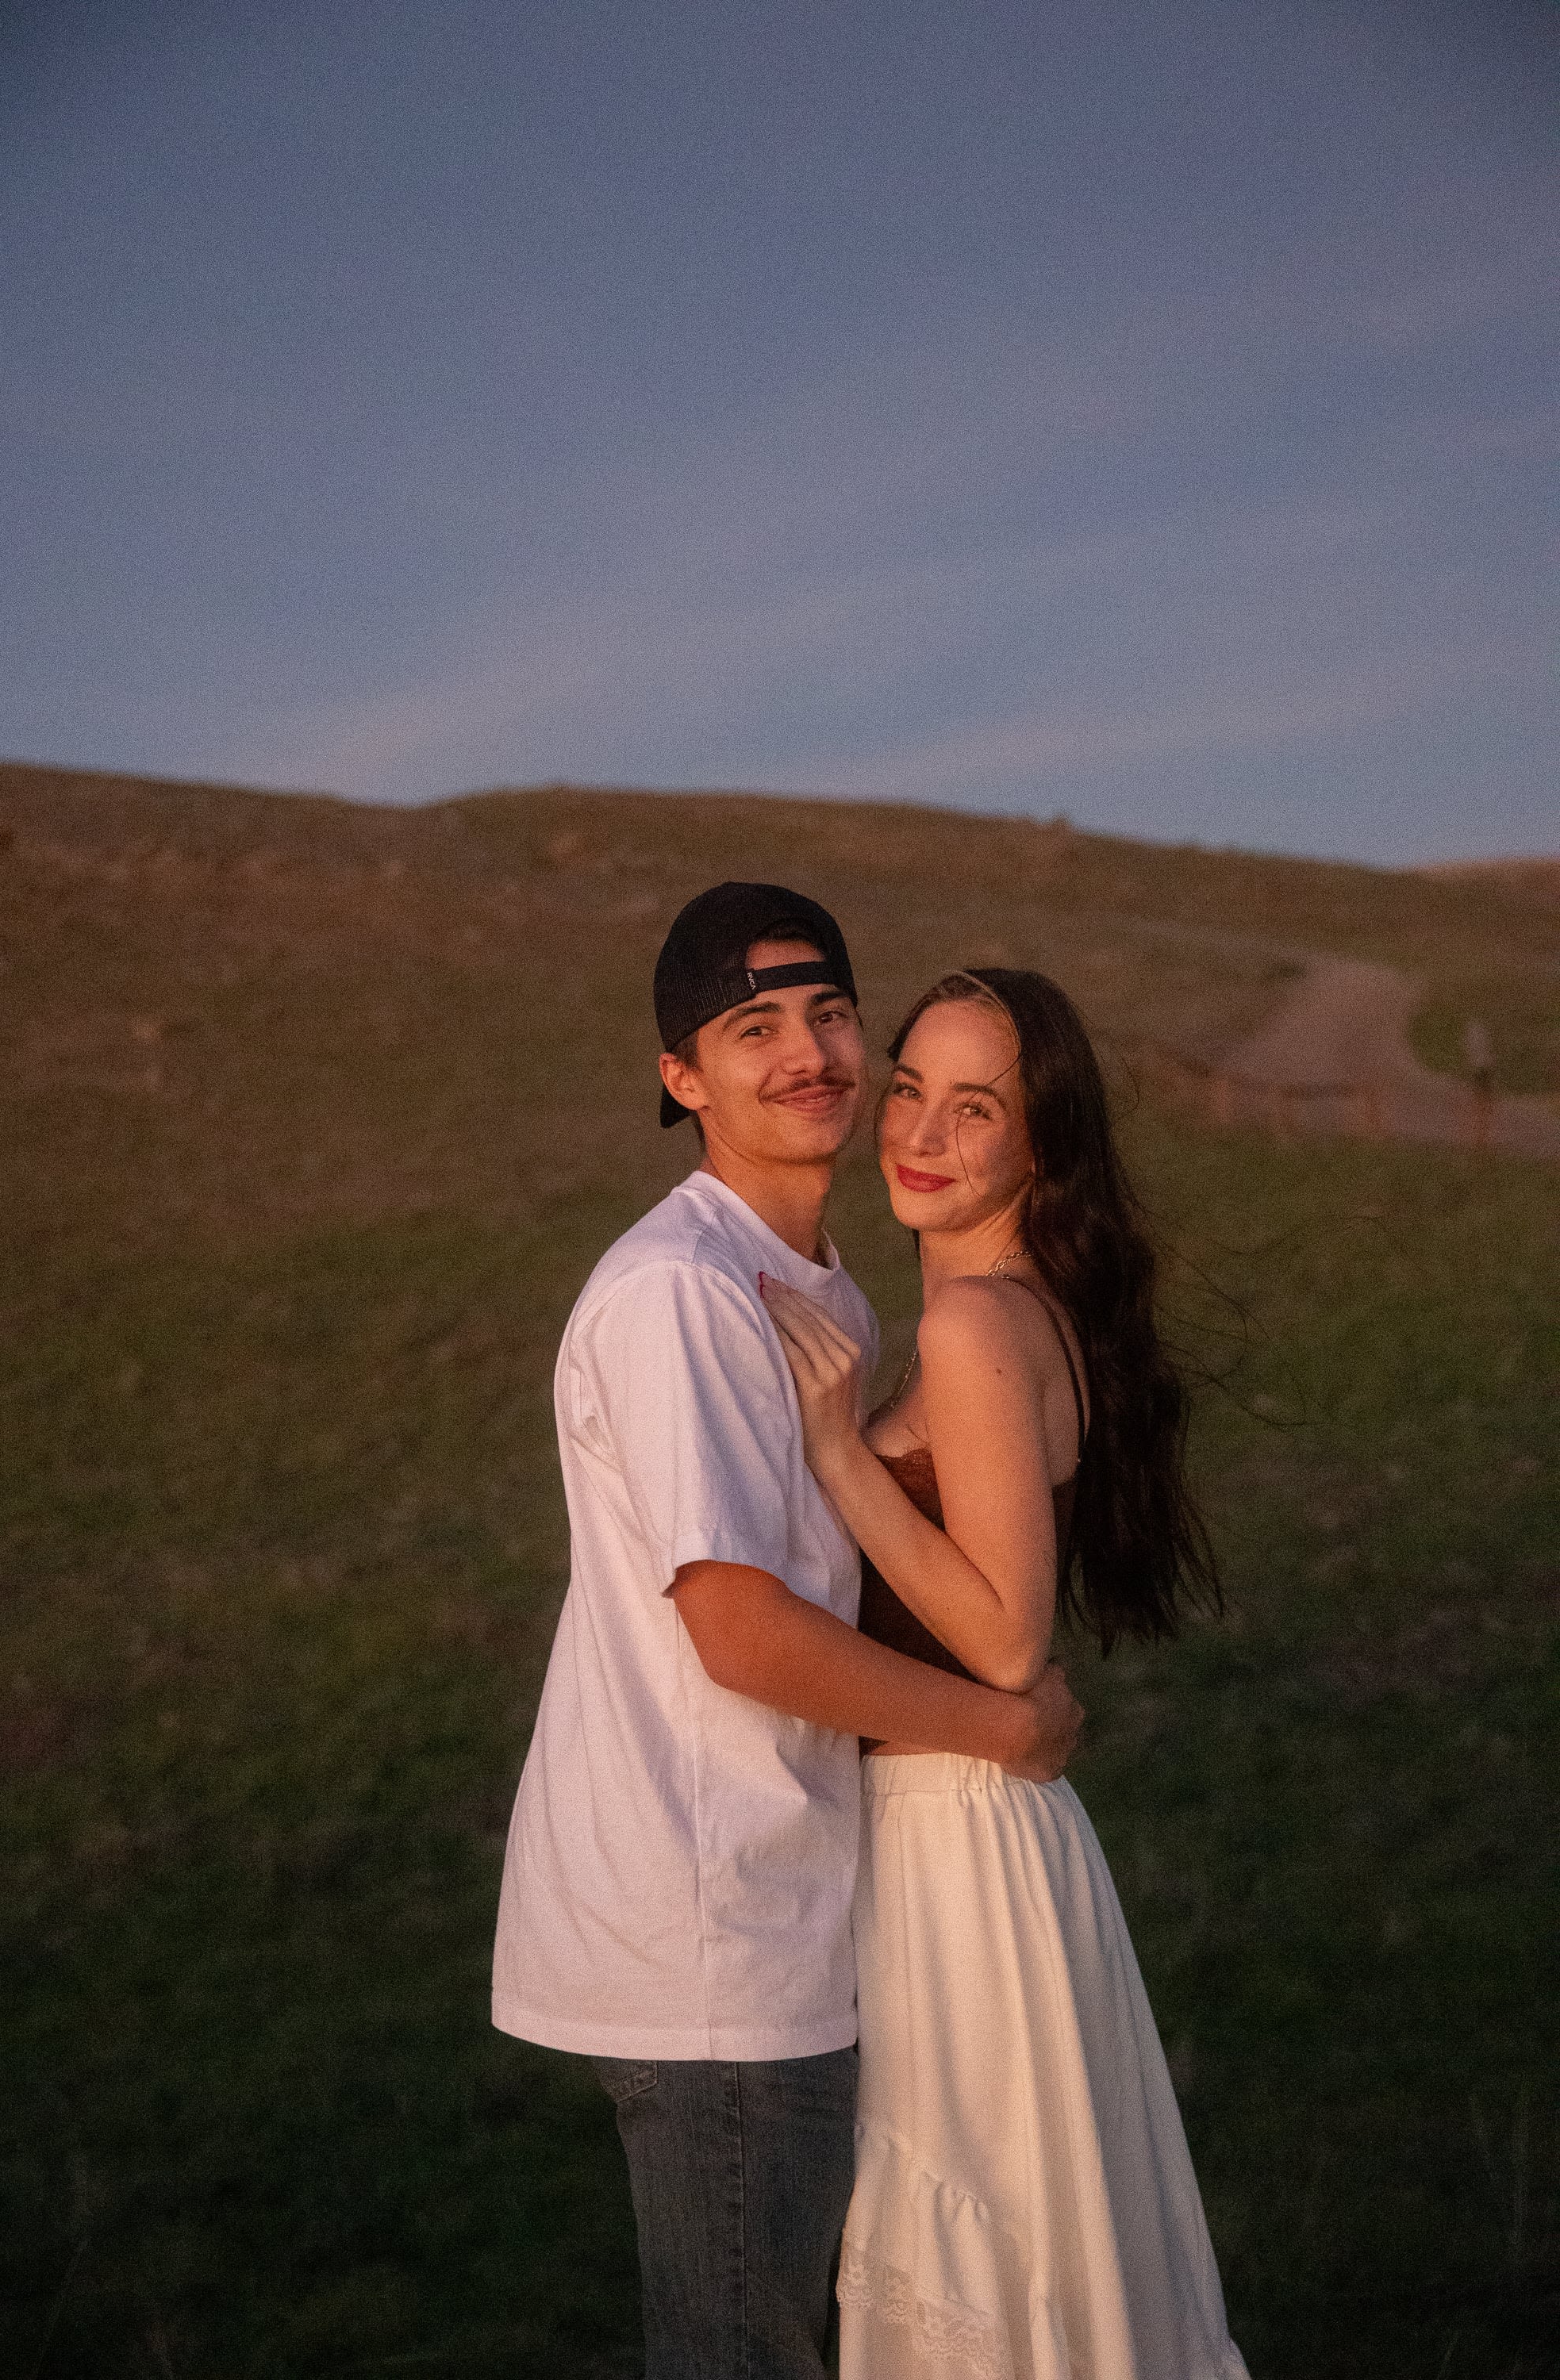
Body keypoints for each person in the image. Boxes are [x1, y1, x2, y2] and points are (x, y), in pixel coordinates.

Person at [492, 895, 1084, 2380]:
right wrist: (1004, 1726)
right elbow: (740, 1629)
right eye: (751, 1030)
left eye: (828, 1017)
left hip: (786, 1900)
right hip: (712, 1932)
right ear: (682, 1079)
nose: (809, 1054)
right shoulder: (686, 1290)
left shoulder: (816, 1294)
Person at [762, 966, 1250, 2380]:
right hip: (961, 1839)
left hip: (958, 1852)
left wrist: (844, 1458)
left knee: (977, 2268)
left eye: (974, 1108)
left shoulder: (979, 1328)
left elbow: (1008, 1641)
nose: (918, 1129)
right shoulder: (1000, 1315)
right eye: (907, 1086)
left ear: (1041, 1145)